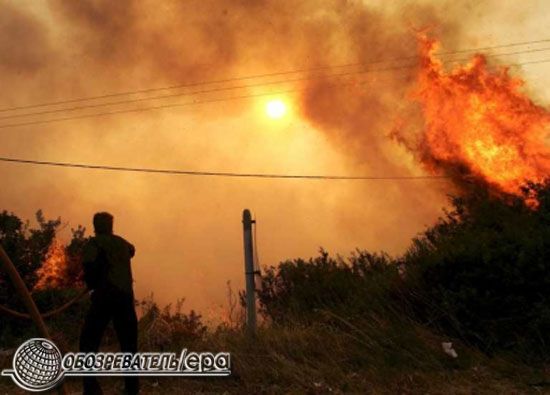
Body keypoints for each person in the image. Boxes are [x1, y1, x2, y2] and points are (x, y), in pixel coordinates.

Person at [80, 212, 138, 395]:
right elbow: (132, 250)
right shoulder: (122, 243)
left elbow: (89, 267)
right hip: (126, 298)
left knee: (88, 342)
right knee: (129, 345)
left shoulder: (94, 243)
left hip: (105, 297)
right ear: (111, 226)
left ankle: (92, 389)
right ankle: (132, 389)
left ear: (95, 226)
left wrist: (91, 284)